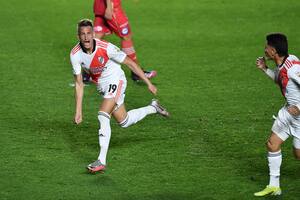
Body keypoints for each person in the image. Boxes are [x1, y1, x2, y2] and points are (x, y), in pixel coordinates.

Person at [70, 19, 169, 173]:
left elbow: (130, 63)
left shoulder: (107, 48)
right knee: (124, 121)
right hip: (103, 87)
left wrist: (147, 83)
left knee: (103, 114)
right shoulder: (75, 55)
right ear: (78, 36)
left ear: (94, 34)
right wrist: (78, 111)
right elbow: (78, 84)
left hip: (117, 80)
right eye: (82, 34)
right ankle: (153, 107)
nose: (86, 37)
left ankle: (101, 160)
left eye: (89, 33)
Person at [254, 33, 300, 196]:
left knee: (298, 154)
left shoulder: (294, 68)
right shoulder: (283, 65)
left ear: (273, 51)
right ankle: (274, 186)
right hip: (287, 113)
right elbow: (280, 79)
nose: (264, 49)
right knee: (272, 144)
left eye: (266, 47)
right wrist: (265, 69)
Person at [91, 0, 156, 82]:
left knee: (96, 40)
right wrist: (109, 7)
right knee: (126, 37)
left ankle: (86, 73)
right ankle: (137, 72)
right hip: (112, 7)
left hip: (100, 7)